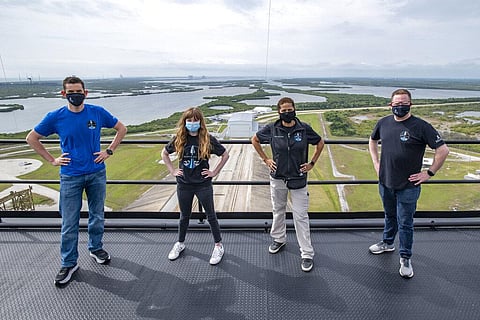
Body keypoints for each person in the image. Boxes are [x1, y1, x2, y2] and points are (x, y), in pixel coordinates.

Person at [26, 76, 127, 286]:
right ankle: (69, 263)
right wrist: (52, 160)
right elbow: (32, 138)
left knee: (97, 215)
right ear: (63, 94)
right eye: (70, 92)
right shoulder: (55, 117)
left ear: (85, 92)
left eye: (78, 91)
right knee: (69, 222)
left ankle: (95, 248)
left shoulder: (97, 112)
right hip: (70, 175)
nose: (75, 95)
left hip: (96, 173)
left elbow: (121, 129)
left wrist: (109, 151)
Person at [368, 88, 449, 278]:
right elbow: (372, 141)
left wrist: (429, 173)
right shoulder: (384, 123)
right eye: (396, 104)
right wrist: (376, 162)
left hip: (408, 186)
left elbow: (443, 150)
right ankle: (387, 243)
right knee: (390, 216)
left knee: (405, 223)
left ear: (410, 104)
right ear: (390, 105)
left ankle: (405, 257)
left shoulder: (421, 127)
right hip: (386, 182)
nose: (400, 107)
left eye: (404, 103)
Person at [251, 97, 324, 272]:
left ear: (294, 109)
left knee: (300, 216)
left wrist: (312, 164)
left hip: (298, 179)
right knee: (278, 210)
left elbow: (320, 143)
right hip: (278, 177)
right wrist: (266, 159)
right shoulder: (272, 128)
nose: (287, 113)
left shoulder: (304, 128)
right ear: (279, 112)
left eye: (289, 109)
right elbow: (254, 140)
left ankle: (306, 254)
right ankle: (279, 239)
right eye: (283, 111)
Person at [162, 107, 229, 265]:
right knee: (184, 216)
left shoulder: (207, 139)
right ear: (184, 122)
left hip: (203, 184)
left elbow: (225, 155)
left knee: (211, 216)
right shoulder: (180, 138)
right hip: (184, 184)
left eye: (195, 120)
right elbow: (164, 153)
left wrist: (214, 172)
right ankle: (180, 243)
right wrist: (172, 170)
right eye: (189, 120)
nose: (192, 123)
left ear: (200, 122)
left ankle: (218, 245)